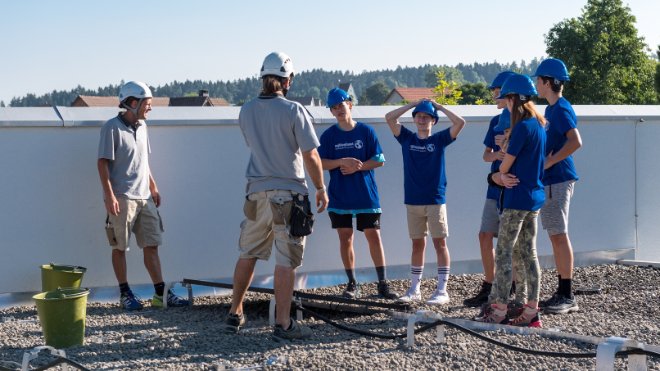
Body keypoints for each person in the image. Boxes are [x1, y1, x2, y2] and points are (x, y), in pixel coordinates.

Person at [222, 52, 328, 341]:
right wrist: (320, 187)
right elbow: (311, 155)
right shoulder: (295, 111)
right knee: (286, 260)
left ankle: (235, 312)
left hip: (256, 194)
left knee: (249, 253)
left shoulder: (246, 110)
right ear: (287, 80)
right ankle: (283, 324)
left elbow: (254, 144)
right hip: (289, 195)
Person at [97, 81, 189, 311]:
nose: (150, 108)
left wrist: (154, 187)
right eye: (147, 104)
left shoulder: (143, 128)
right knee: (120, 247)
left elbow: (144, 163)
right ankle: (125, 293)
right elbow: (102, 163)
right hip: (122, 198)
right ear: (133, 103)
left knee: (152, 245)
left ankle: (161, 294)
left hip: (145, 197)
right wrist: (109, 195)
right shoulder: (111, 128)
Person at [476, 73, 546, 327]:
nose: (504, 101)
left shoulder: (521, 128)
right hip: (534, 198)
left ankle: (499, 308)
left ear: (514, 98)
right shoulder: (538, 124)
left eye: (506, 97)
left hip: (516, 199)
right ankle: (531, 311)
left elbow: (504, 168)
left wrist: (496, 176)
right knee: (529, 254)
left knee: (505, 252)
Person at [318, 87, 398, 300]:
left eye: (341, 105)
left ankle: (382, 283)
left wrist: (358, 167)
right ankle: (352, 284)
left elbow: (380, 159)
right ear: (331, 112)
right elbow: (319, 162)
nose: (339, 110)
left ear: (350, 105)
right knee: (345, 238)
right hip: (340, 196)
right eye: (334, 108)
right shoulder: (328, 136)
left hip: (365, 195)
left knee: (374, 236)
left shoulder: (366, 131)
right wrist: (341, 162)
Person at [384, 99, 465, 305]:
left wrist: (439, 107)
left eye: (426, 117)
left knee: (440, 243)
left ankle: (441, 290)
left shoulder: (439, 140)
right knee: (417, 244)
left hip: (435, 199)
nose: (421, 119)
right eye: (418, 116)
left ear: (433, 121)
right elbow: (389, 118)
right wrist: (412, 105)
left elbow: (460, 123)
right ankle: (414, 289)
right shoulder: (407, 138)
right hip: (413, 200)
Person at [534, 58, 582, 315]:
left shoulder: (561, 109)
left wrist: (550, 161)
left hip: (558, 179)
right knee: (555, 234)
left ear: (548, 82)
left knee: (559, 235)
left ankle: (567, 294)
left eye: (538, 80)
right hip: (552, 181)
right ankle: (562, 292)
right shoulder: (551, 110)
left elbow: (575, 141)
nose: (535, 84)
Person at [464, 71, 516, 308]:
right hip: (494, 187)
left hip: (512, 188)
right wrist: (497, 154)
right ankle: (490, 283)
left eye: (496, 90)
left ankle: (513, 286)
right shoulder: (495, 122)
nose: (494, 95)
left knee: (511, 241)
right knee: (485, 235)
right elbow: (486, 156)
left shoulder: (524, 120)